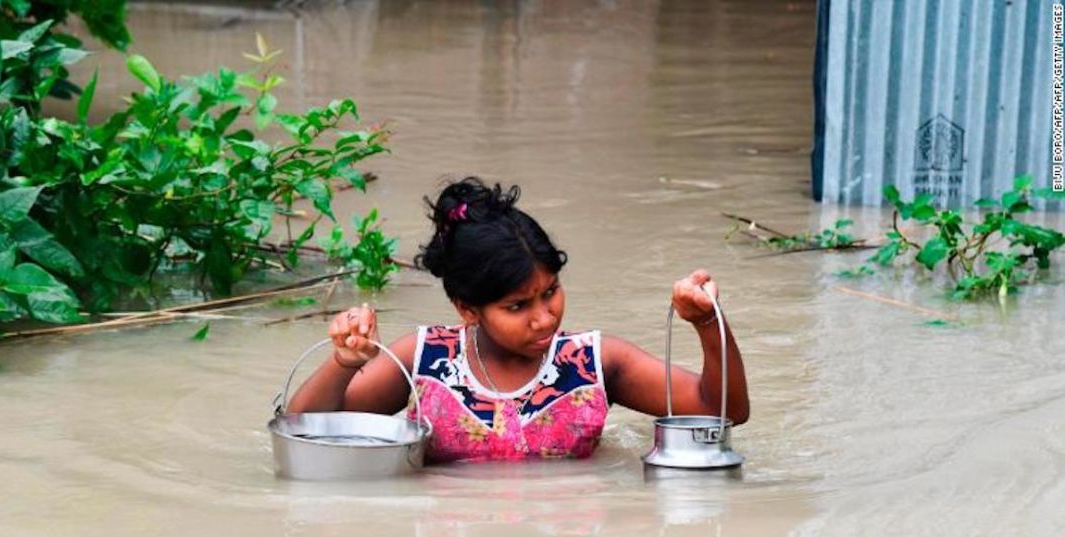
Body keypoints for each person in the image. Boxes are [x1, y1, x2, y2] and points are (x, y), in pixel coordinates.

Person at [287, 177, 749, 462]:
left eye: (550, 292)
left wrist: (709, 324)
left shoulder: (593, 363)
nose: (544, 318)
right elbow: (306, 433)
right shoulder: (424, 360)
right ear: (467, 309)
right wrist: (343, 362)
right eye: (517, 306)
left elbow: (723, 410)